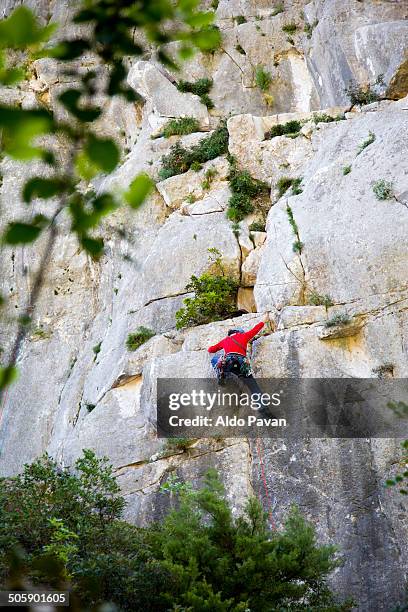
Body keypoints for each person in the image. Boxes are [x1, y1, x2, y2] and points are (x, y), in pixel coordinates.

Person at [208, 321, 265, 394]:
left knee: (215, 359)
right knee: (253, 387)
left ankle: (223, 375)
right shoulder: (244, 336)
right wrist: (263, 322)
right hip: (242, 364)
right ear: (240, 332)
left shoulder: (225, 340)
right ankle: (262, 404)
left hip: (229, 362)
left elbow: (211, 350)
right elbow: (255, 329)